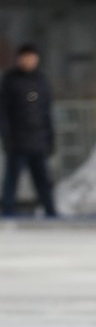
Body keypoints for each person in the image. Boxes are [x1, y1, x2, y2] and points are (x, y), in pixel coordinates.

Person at [1, 43, 57, 217]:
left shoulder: (41, 81)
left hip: (38, 139)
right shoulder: (10, 80)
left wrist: (50, 137)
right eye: (26, 58)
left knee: (42, 180)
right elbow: (3, 111)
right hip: (17, 140)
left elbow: (46, 111)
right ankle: (7, 213)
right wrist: (7, 136)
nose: (29, 61)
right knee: (12, 179)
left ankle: (50, 212)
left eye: (32, 58)